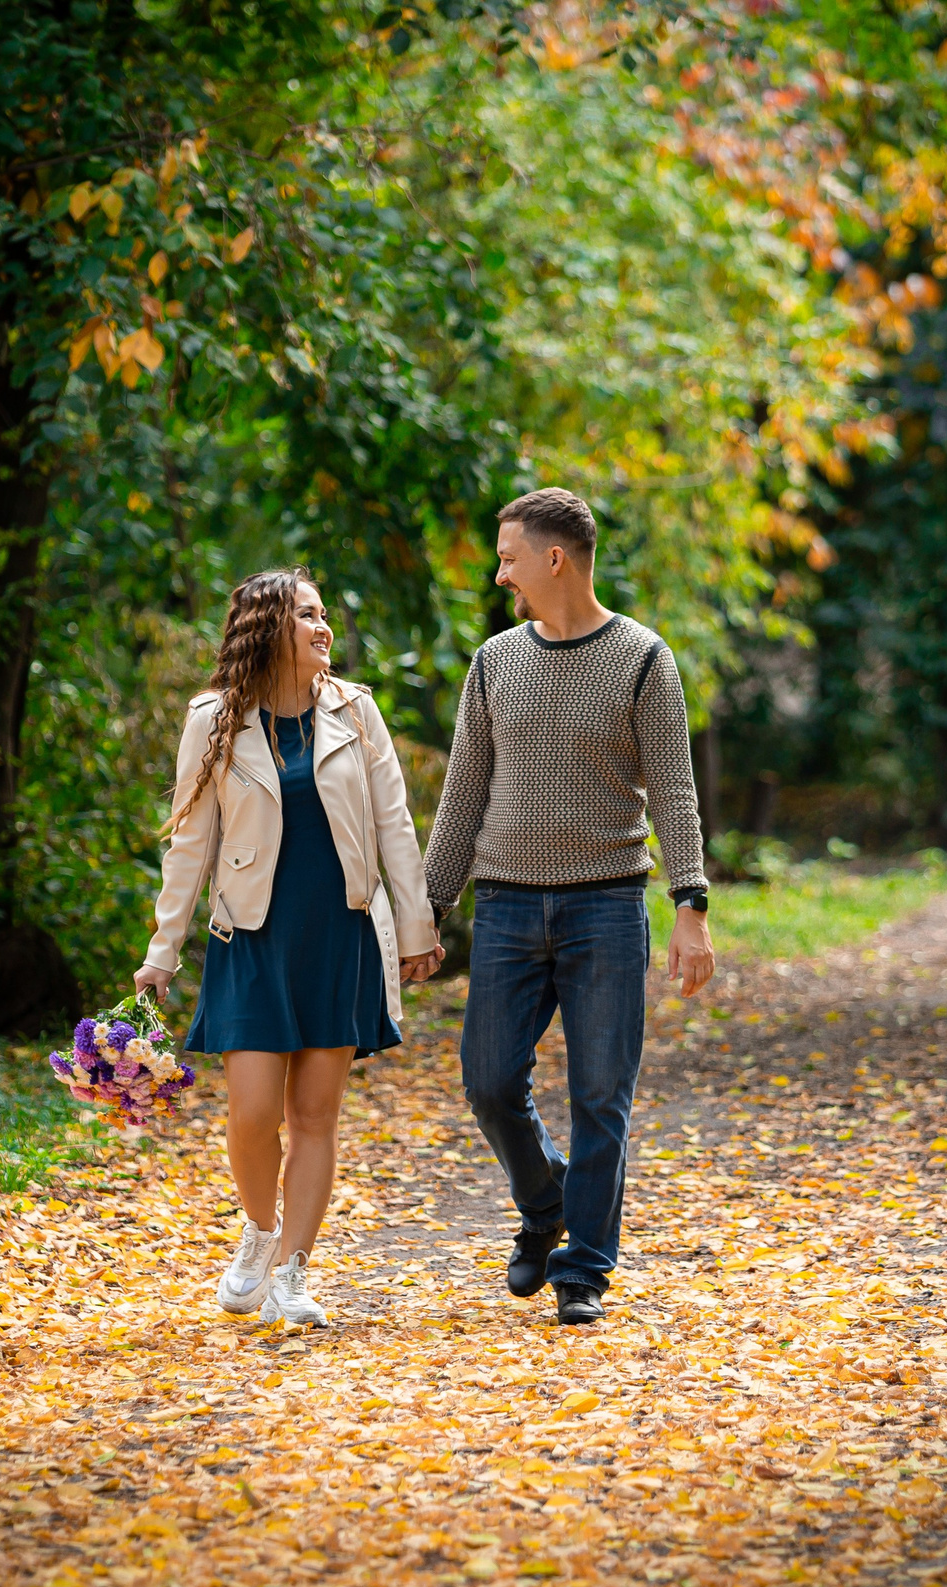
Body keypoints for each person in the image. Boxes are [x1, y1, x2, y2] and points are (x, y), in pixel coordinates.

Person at [422, 487, 716, 1327]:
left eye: (510, 556)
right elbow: (462, 796)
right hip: (508, 907)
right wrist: (427, 910)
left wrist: (688, 904)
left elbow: (676, 794)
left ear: (556, 559)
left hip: (606, 908)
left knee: (601, 1097)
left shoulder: (642, 658)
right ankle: (546, 1200)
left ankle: (584, 1265)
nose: (500, 572)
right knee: (488, 1082)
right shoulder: (495, 661)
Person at [135, 569, 442, 1328]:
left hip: (339, 936)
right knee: (249, 1112)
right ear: (270, 627)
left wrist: (417, 928)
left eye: (323, 614)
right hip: (251, 936)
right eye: (307, 615)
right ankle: (260, 1233)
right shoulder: (214, 720)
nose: (323, 627)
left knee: (314, 1116)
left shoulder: (356, 712)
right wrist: (162, 949)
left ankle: (295, 1273)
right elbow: (189, 844)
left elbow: (395, 827)